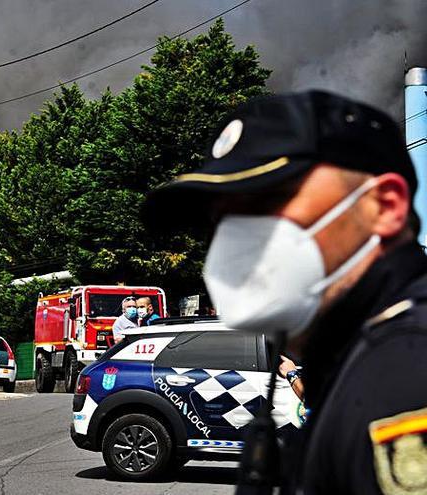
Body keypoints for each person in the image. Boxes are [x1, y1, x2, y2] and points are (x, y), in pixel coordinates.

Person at [145, 90, 427, 494]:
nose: (237, 240)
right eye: (222, 220)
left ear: (384, 207)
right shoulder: (355, 354)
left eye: (268, 201)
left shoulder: (406, 370)